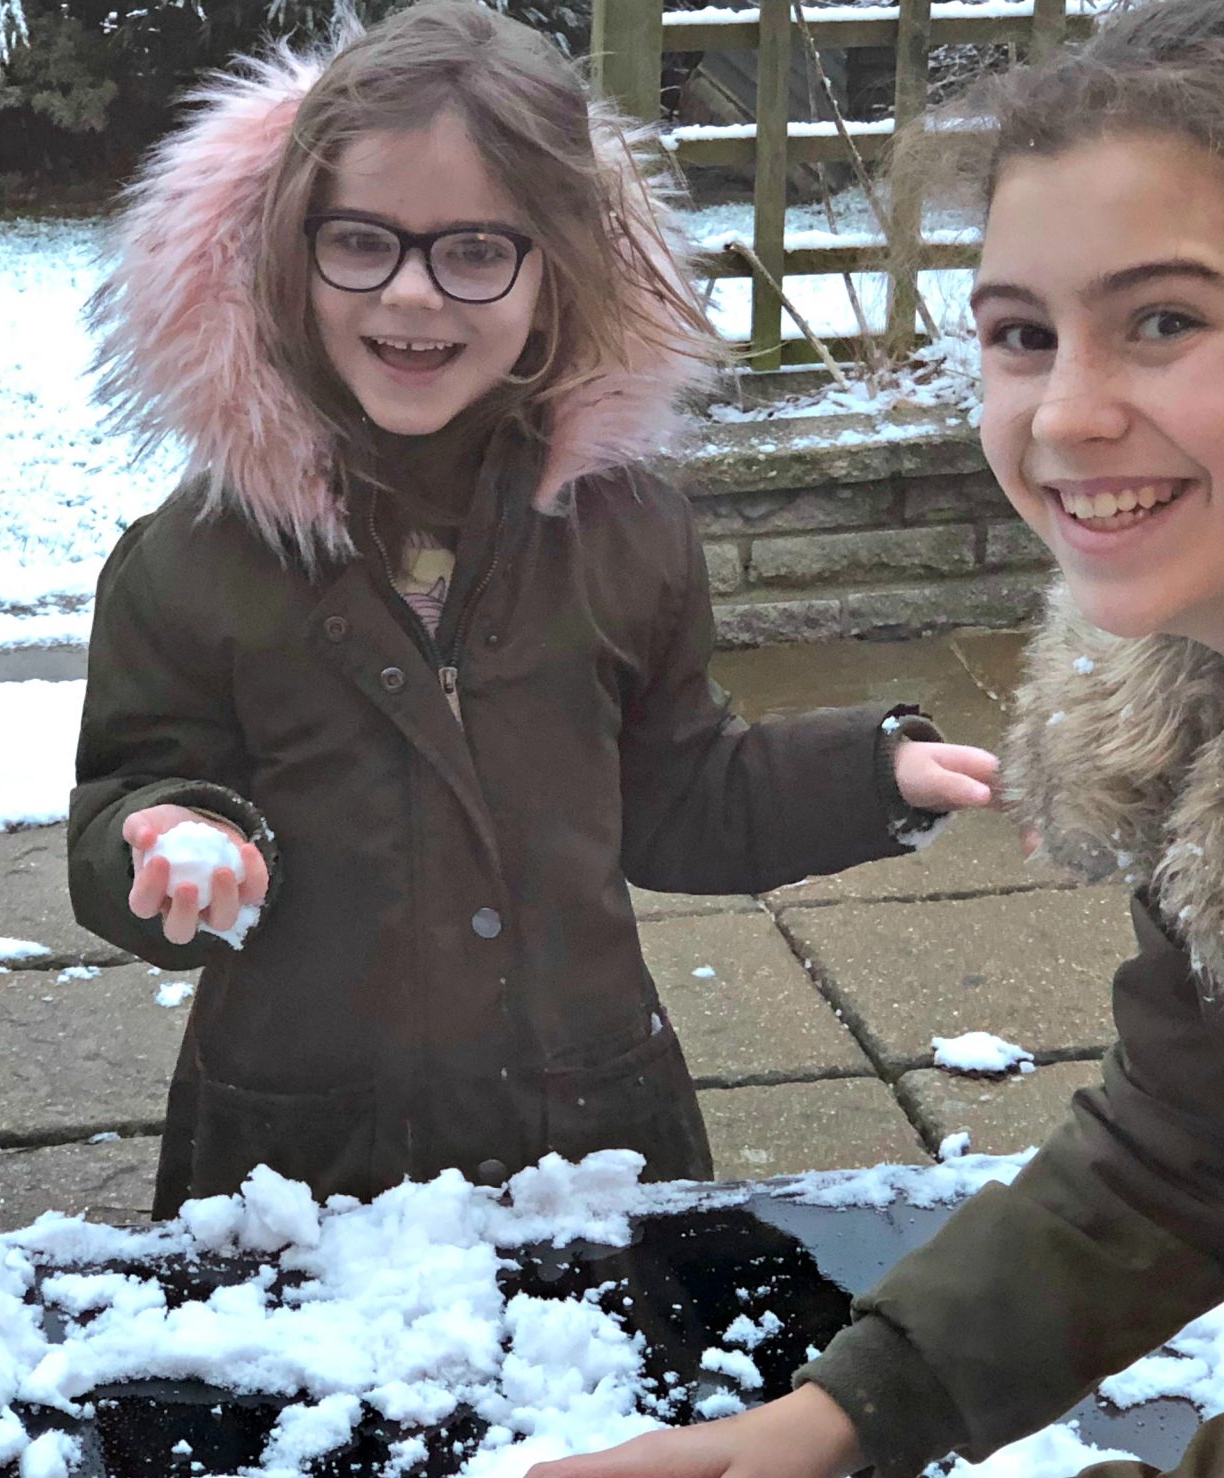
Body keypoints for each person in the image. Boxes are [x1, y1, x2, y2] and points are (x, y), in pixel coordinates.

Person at [504, 0, 1224, 1478]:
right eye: (1021, 334)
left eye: (1164, 320)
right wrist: (846, 1413)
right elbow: (1196, 1136)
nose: (1068, 415)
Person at [66, 0, 1001, 1217]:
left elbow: (673, 798)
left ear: (557, 269)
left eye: (474, 251)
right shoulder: (191, 565)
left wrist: (866, 777)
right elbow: (127, 794)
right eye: (361, 242)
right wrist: (166, 840)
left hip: (590, 1129)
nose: (411, 296)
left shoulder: (625, 537)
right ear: (286, 254)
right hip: (298, 1155)